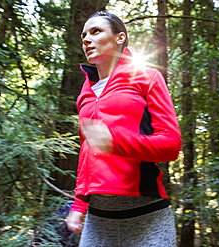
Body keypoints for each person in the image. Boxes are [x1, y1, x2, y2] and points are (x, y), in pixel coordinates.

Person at [65, 11, 181, 247]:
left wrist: (115, 142)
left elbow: (171, 145)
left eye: (96, 32)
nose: (86, 39)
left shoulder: (147, 78)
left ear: (120, 38)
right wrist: (79, 204)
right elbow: (86, 152)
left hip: (147, 216)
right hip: (98, 220)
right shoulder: (85, 93)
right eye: (84, 35)